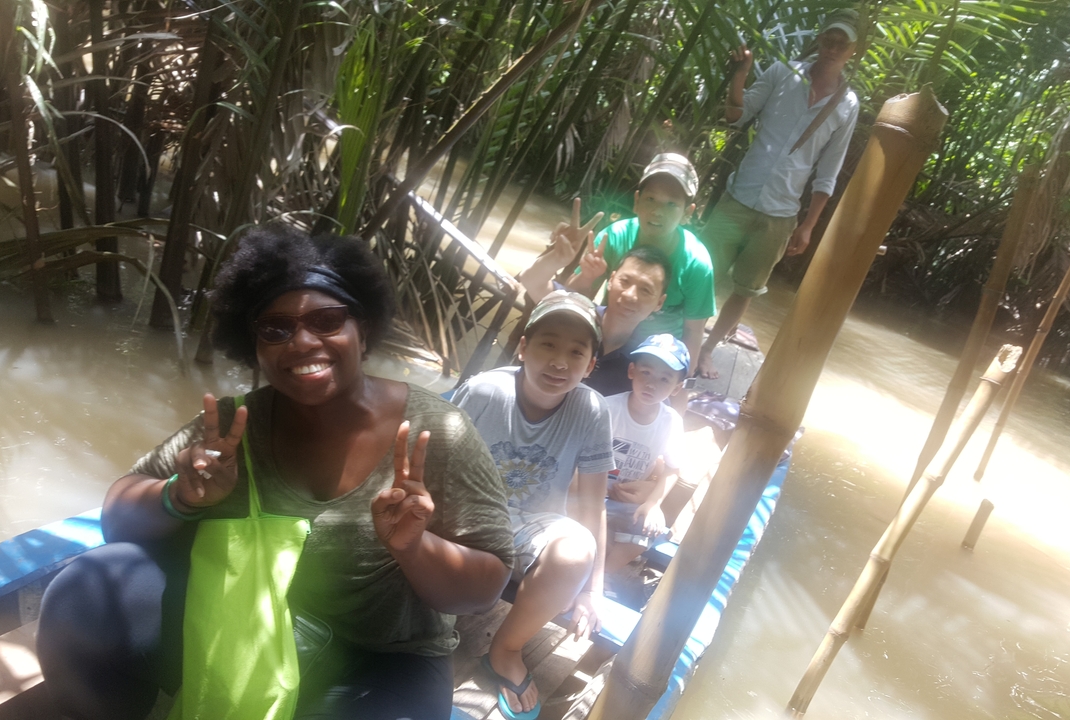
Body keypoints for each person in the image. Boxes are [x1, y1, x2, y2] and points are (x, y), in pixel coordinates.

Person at [36, 226, 514, 720]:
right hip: (243, 624)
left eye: (326, 320)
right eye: (276, 328)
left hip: (378, 662)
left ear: (363, 329)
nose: (303, 342)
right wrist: (182, 496)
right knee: (83, 594)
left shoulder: (436, 432)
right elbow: (119, 514)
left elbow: (486, 587)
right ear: (255, 346)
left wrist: (414, 548)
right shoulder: (232, 426)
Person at [451, 290, 615, 720]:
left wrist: (591, 590)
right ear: (523, 347)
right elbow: (436, 465)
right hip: (465, 508)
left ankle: (506, 648)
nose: (560, 361)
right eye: (548, 344)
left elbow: (592, 503)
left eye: (576, 352)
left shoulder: (592, 410)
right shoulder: (485, 391)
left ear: (590, 365)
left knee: (576, 549)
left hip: (532, 523)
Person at [696, 10, 861, 379]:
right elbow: (736, 115)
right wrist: (741, 73)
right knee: (703, 273)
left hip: (780, 213)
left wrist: (808, 226)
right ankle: (685, 337)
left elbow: (828, 173)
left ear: (853, 51)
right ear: (820, 40)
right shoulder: (782, 72)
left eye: (842, 43)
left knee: (746, 290)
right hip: (739, 196)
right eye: (829, 39)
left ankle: (706, 351)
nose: (833, 48)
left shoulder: (848, 105)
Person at [563, 153, 716, 371]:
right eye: (650, 199)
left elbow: (693, 330)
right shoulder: (614, 237)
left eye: (671, 204)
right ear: (636, 201)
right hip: (608, 339)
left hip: (655, 357)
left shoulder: (697, 263)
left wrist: (683, 380)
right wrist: (585, 276)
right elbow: (574, 300)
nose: (656, 212)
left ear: (687, 213)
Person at [518, 209, 674, 396]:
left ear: (659, 303)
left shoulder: (645, 360)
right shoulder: (577, 313)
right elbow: (531, 280)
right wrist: (557, 258)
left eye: (645, 290)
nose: (630, 295)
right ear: (611, 280)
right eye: (624, 282)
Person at [602, 335, 688, 572]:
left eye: (664, 379)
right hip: (590, 492)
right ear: (632, 371)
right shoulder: (607, 408)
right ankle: (588, 569)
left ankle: (604, 573)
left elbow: (673, 468)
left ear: (677, 387)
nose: (651, 384)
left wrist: (653, 503)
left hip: (625, 499)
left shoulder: (670, 422)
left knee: (651, 527)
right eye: (646, 373)